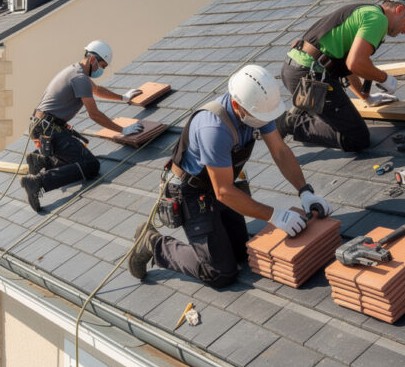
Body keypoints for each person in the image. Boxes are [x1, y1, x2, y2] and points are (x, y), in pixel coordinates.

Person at [128, 65, 333, 288]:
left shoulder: (257, 109)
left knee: (242, 252)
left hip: (220, 184)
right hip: (191, 192)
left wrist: (305, 191)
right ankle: (151, 242)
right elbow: (223, 192)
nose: (264, 121)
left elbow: (280, 150)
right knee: (220, 272)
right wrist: (275, 215)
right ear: (237, 106)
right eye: (259, 117)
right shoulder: (214, 129)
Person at [276, 0, 405, 152]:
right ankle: (288, 122)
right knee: (357, 138)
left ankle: (306, 108)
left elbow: (347, 65)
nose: (404, 31)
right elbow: (356, 63)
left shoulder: (366, 12)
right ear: (400, 9)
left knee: (339, 116)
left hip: (295, 70)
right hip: (310, 76)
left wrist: (365, 97)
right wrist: (385, 79)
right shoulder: (378, 19)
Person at [20, 40, 144, 213]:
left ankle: (42, 161)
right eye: (102, 65)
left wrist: (123, 97)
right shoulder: (80, 78)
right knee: (90, 164)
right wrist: (123, 130)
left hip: (43, 127)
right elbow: (94, 114)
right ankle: (38, 182)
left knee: (74, 157)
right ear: (93, 60)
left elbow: (97, 90)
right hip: (51, 130)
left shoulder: (75, 71)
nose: (103, 69)